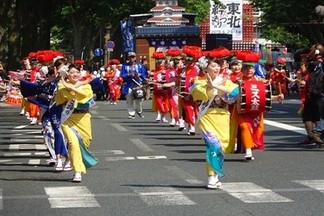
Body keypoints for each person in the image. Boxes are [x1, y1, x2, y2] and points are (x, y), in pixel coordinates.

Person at [190, 53, 239, 189]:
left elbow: (234, 93)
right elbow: (201, 95)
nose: (217, 68)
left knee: (221, 147)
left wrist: (216, 86)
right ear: (205, 69)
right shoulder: (198, 82)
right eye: (213, 65)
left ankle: (216, 174)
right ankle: (211, 177)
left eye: (218, 65)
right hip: (207, 117)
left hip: (222, 116)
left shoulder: (225, 81)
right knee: (213, 145)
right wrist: (211, 87)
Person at [229, 50, 284, 160]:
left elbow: (265, 97)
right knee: (245, 127)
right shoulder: (237, 82)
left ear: (254, 69)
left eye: (251, 68)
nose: (249, 70)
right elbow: (231, 97)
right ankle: (248, 151)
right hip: (242, 110)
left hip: (256, 112)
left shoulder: (261, 81)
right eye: (246, 68)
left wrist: (277, 97)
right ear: (242, 69)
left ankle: (249, 146)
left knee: (256, 131)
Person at [55, 64, 96, 182]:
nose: (75, 74)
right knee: (73, 143)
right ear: (67, 74)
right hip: (68, 119)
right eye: (72, 72)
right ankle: (77, 171)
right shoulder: (61, 86)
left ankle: (79, 163)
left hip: (83, 117)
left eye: (77, 72)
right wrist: (67, 84)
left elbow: (84, 96)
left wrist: (75, 85)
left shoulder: (87, 86)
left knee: (85, 141)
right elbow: (66, 95)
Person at [120, 52, 148, 119]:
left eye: (133, 57)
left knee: (139, 99)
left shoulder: (139, 65)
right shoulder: (125, 66)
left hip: (138, 83)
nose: (131, 58)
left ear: (135, 58)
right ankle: (131, 113)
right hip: (129, 84)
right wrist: (128, 75)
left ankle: (139, 110)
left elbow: (144, 74)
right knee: (129, 99)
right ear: (128, 58)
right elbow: (122, 74)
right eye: (130, 57)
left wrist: (139, 75)